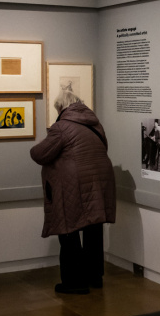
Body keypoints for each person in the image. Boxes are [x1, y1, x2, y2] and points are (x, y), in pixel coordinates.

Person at [30, 95, 116, 294]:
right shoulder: (95, 124)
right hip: (99, 181)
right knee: (93, 229)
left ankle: (74, 282)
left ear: (61, 107)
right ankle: (95, 277)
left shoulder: (61, 127)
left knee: (69, 229)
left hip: (74, 185)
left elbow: (39, 154)